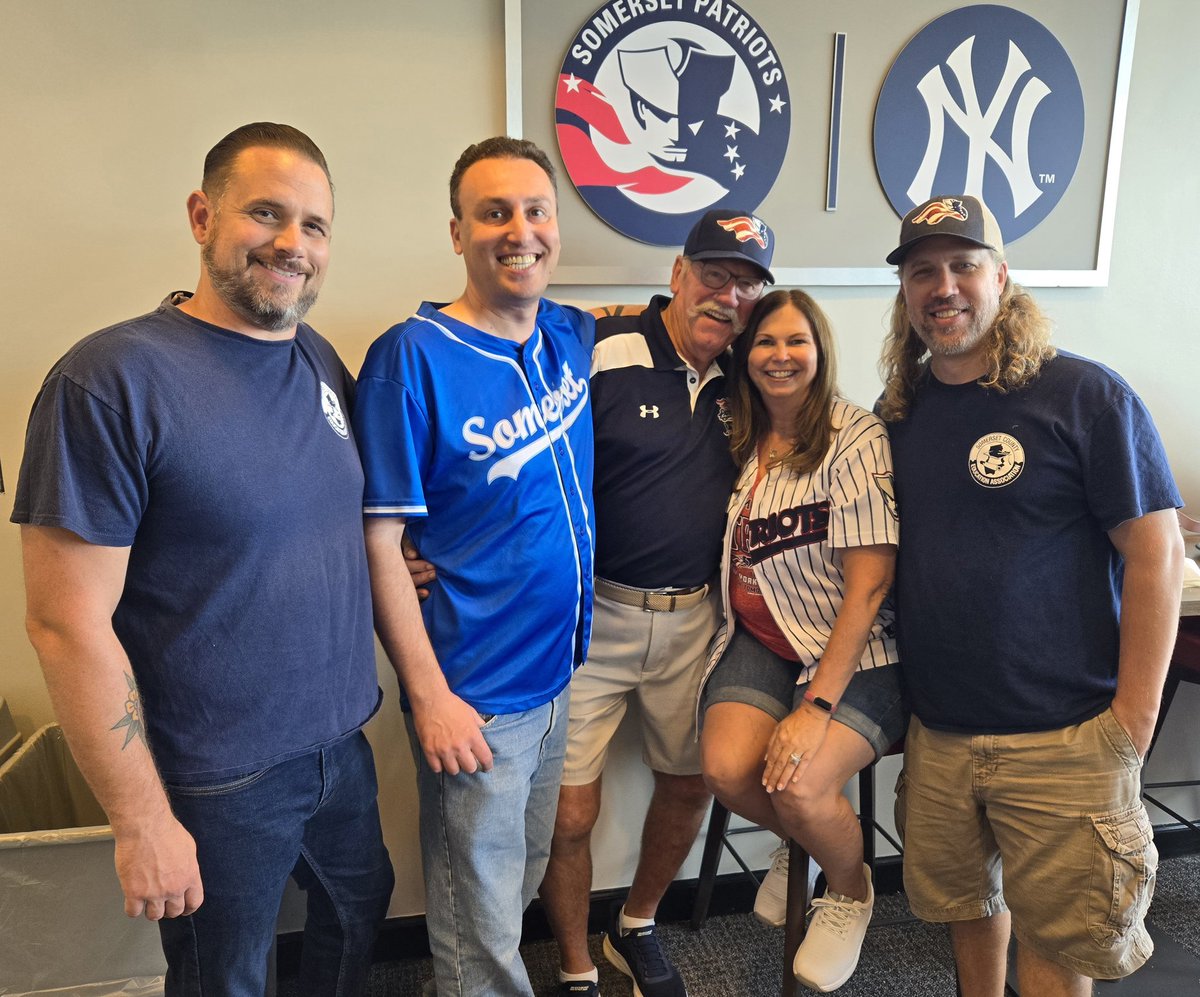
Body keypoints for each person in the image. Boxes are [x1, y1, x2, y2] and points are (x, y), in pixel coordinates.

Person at [11, 122, 394, 995]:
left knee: (355, 914)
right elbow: (63, 623)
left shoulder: (317, 358)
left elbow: (300, 515)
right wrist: (139, 817)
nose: (292, 244)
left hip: (340, 742)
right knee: (226, 976)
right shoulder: (109, 381)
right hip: (216, 777)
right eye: (266, 213)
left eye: (315, 225)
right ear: (201, 215)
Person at [879, 194, 1184, 997]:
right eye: (922, 271)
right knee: (969, 910)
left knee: (1059, 936)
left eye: (963, 265)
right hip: (941, 733)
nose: (943, 286)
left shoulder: (1084, 395)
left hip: (1067, 733)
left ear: (1002, 277)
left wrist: (1133, 720)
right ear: (906, 292)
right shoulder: (899, 414)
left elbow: (1157, 551)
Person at [353, 136, 595, 997]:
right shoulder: (408, 360)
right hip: (475, 694)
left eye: (535, 211)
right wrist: (430, 698)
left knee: (512, 883)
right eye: (494, 213)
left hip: (557, 675)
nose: (518, 231)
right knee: (479, 919)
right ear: (457, 232)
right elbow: (380, 541)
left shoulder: (569, 333)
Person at [541, 210, 777, 997]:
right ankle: (574, 965)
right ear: (677, 274)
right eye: (715, 274)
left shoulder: (755, 375)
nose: (728, 296)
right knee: (569, 814)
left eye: (747, 283)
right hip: (593, 619)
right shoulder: (598, 344)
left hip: (698, 624)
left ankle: (633, 924)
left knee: (690, 782)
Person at [698, 288, 904, 993]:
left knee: (801, 786)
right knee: (726, 771)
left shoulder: (855, 436)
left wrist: (815, 706)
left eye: (796, 341)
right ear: (743, 355)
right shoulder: (742, 435)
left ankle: (848, 888)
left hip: (857, 649)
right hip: (763, 638)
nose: (780, 356)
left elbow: (870, 588)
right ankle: (806, 841)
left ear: (820, 349)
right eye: (764, 342)